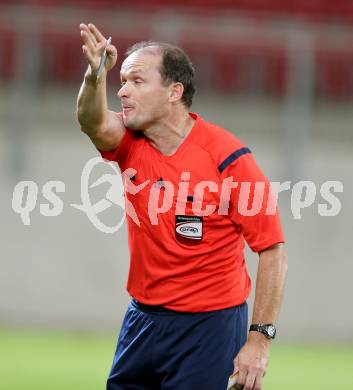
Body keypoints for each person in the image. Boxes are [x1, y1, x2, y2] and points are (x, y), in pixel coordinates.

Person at [77, 22, 288, 390]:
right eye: (122, 81)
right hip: (142, 320)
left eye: (137, 81)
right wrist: (95, 73)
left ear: (174, 92)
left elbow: (272, 252)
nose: (123, 91)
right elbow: (91, 121)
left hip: (209, 326)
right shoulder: (131, 142)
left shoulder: (229, 159)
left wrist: (259, 341)